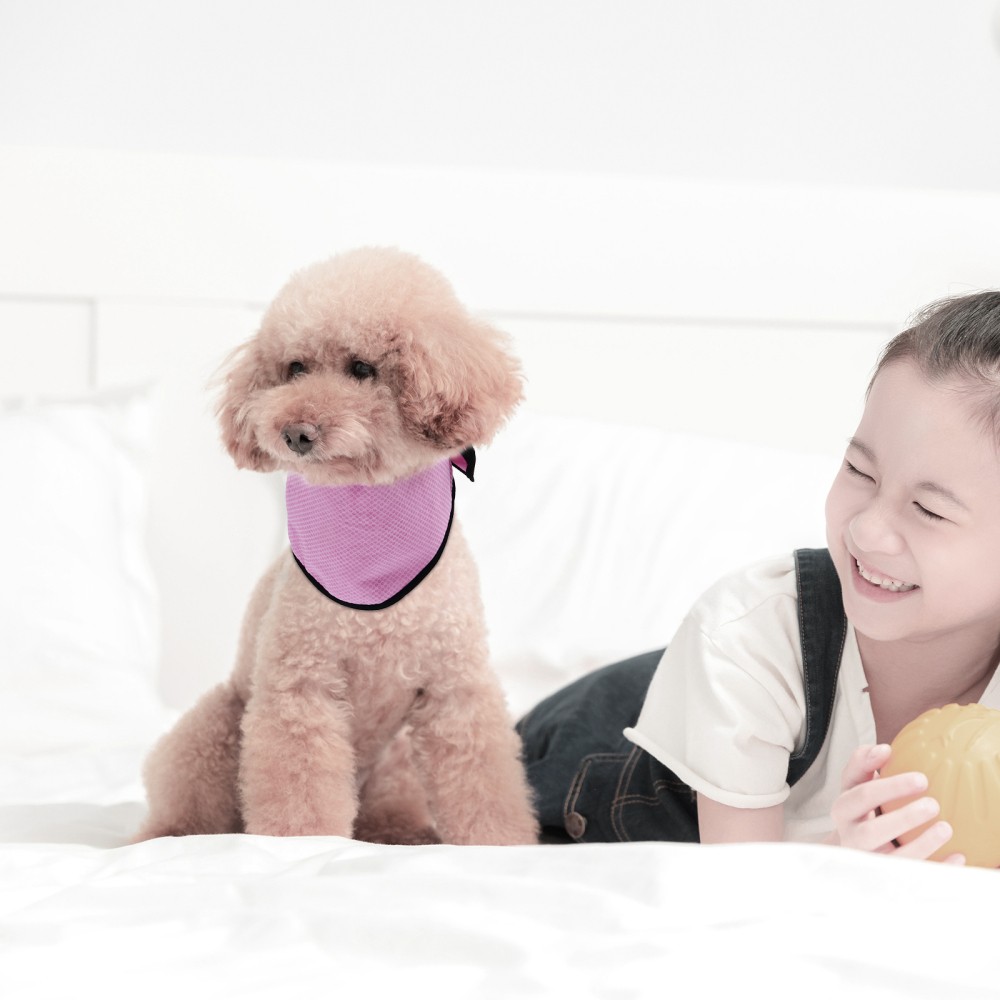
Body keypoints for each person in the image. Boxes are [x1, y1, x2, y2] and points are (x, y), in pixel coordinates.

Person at [518, 290, 1000, 863]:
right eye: (859, 470)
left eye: (929, 510)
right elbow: (748, 890)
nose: (868, 530)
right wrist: (840, 862)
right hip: (585, 778)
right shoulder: (747, 638)